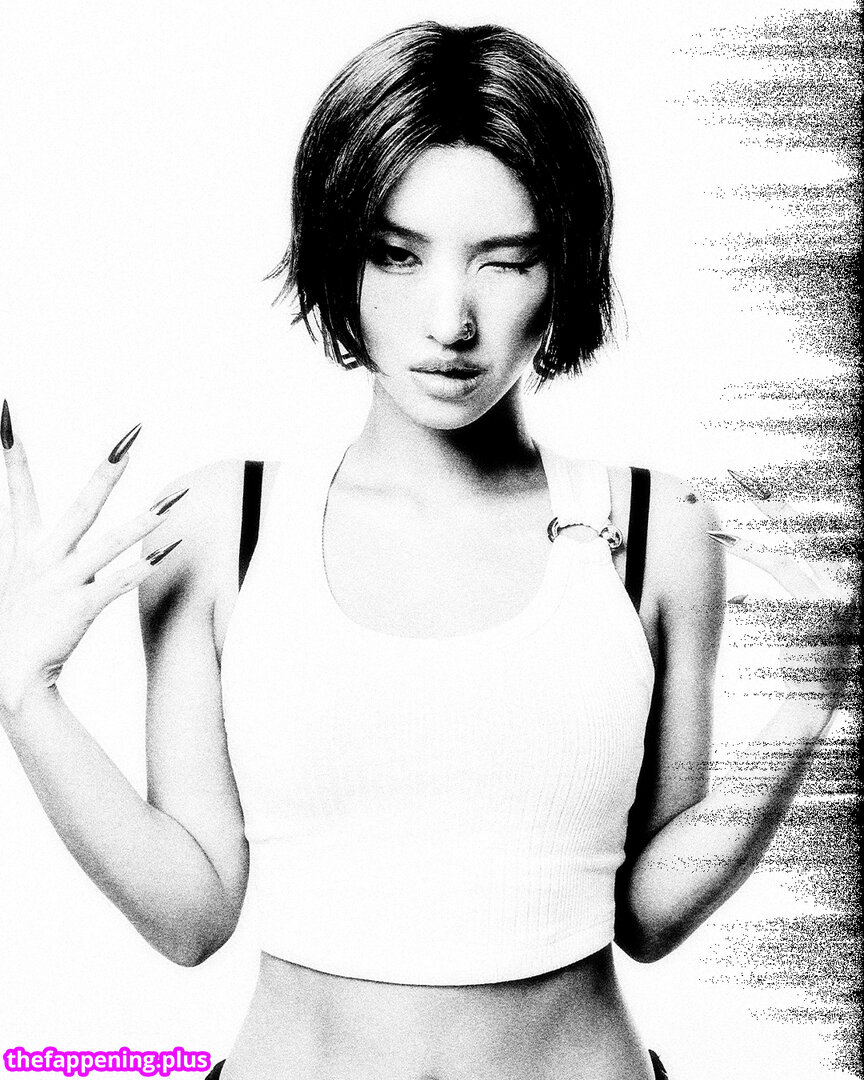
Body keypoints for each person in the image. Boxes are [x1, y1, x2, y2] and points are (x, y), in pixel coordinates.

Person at [0, 22, 850, 1080]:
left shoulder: (655, 528)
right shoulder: (224, 525)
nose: (451, 320)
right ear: (336, 250)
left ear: (566, 265)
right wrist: (24, 696)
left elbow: (645, 914)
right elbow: (192, 914)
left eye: (507, 260)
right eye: (396, 255)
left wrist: (808, 701)